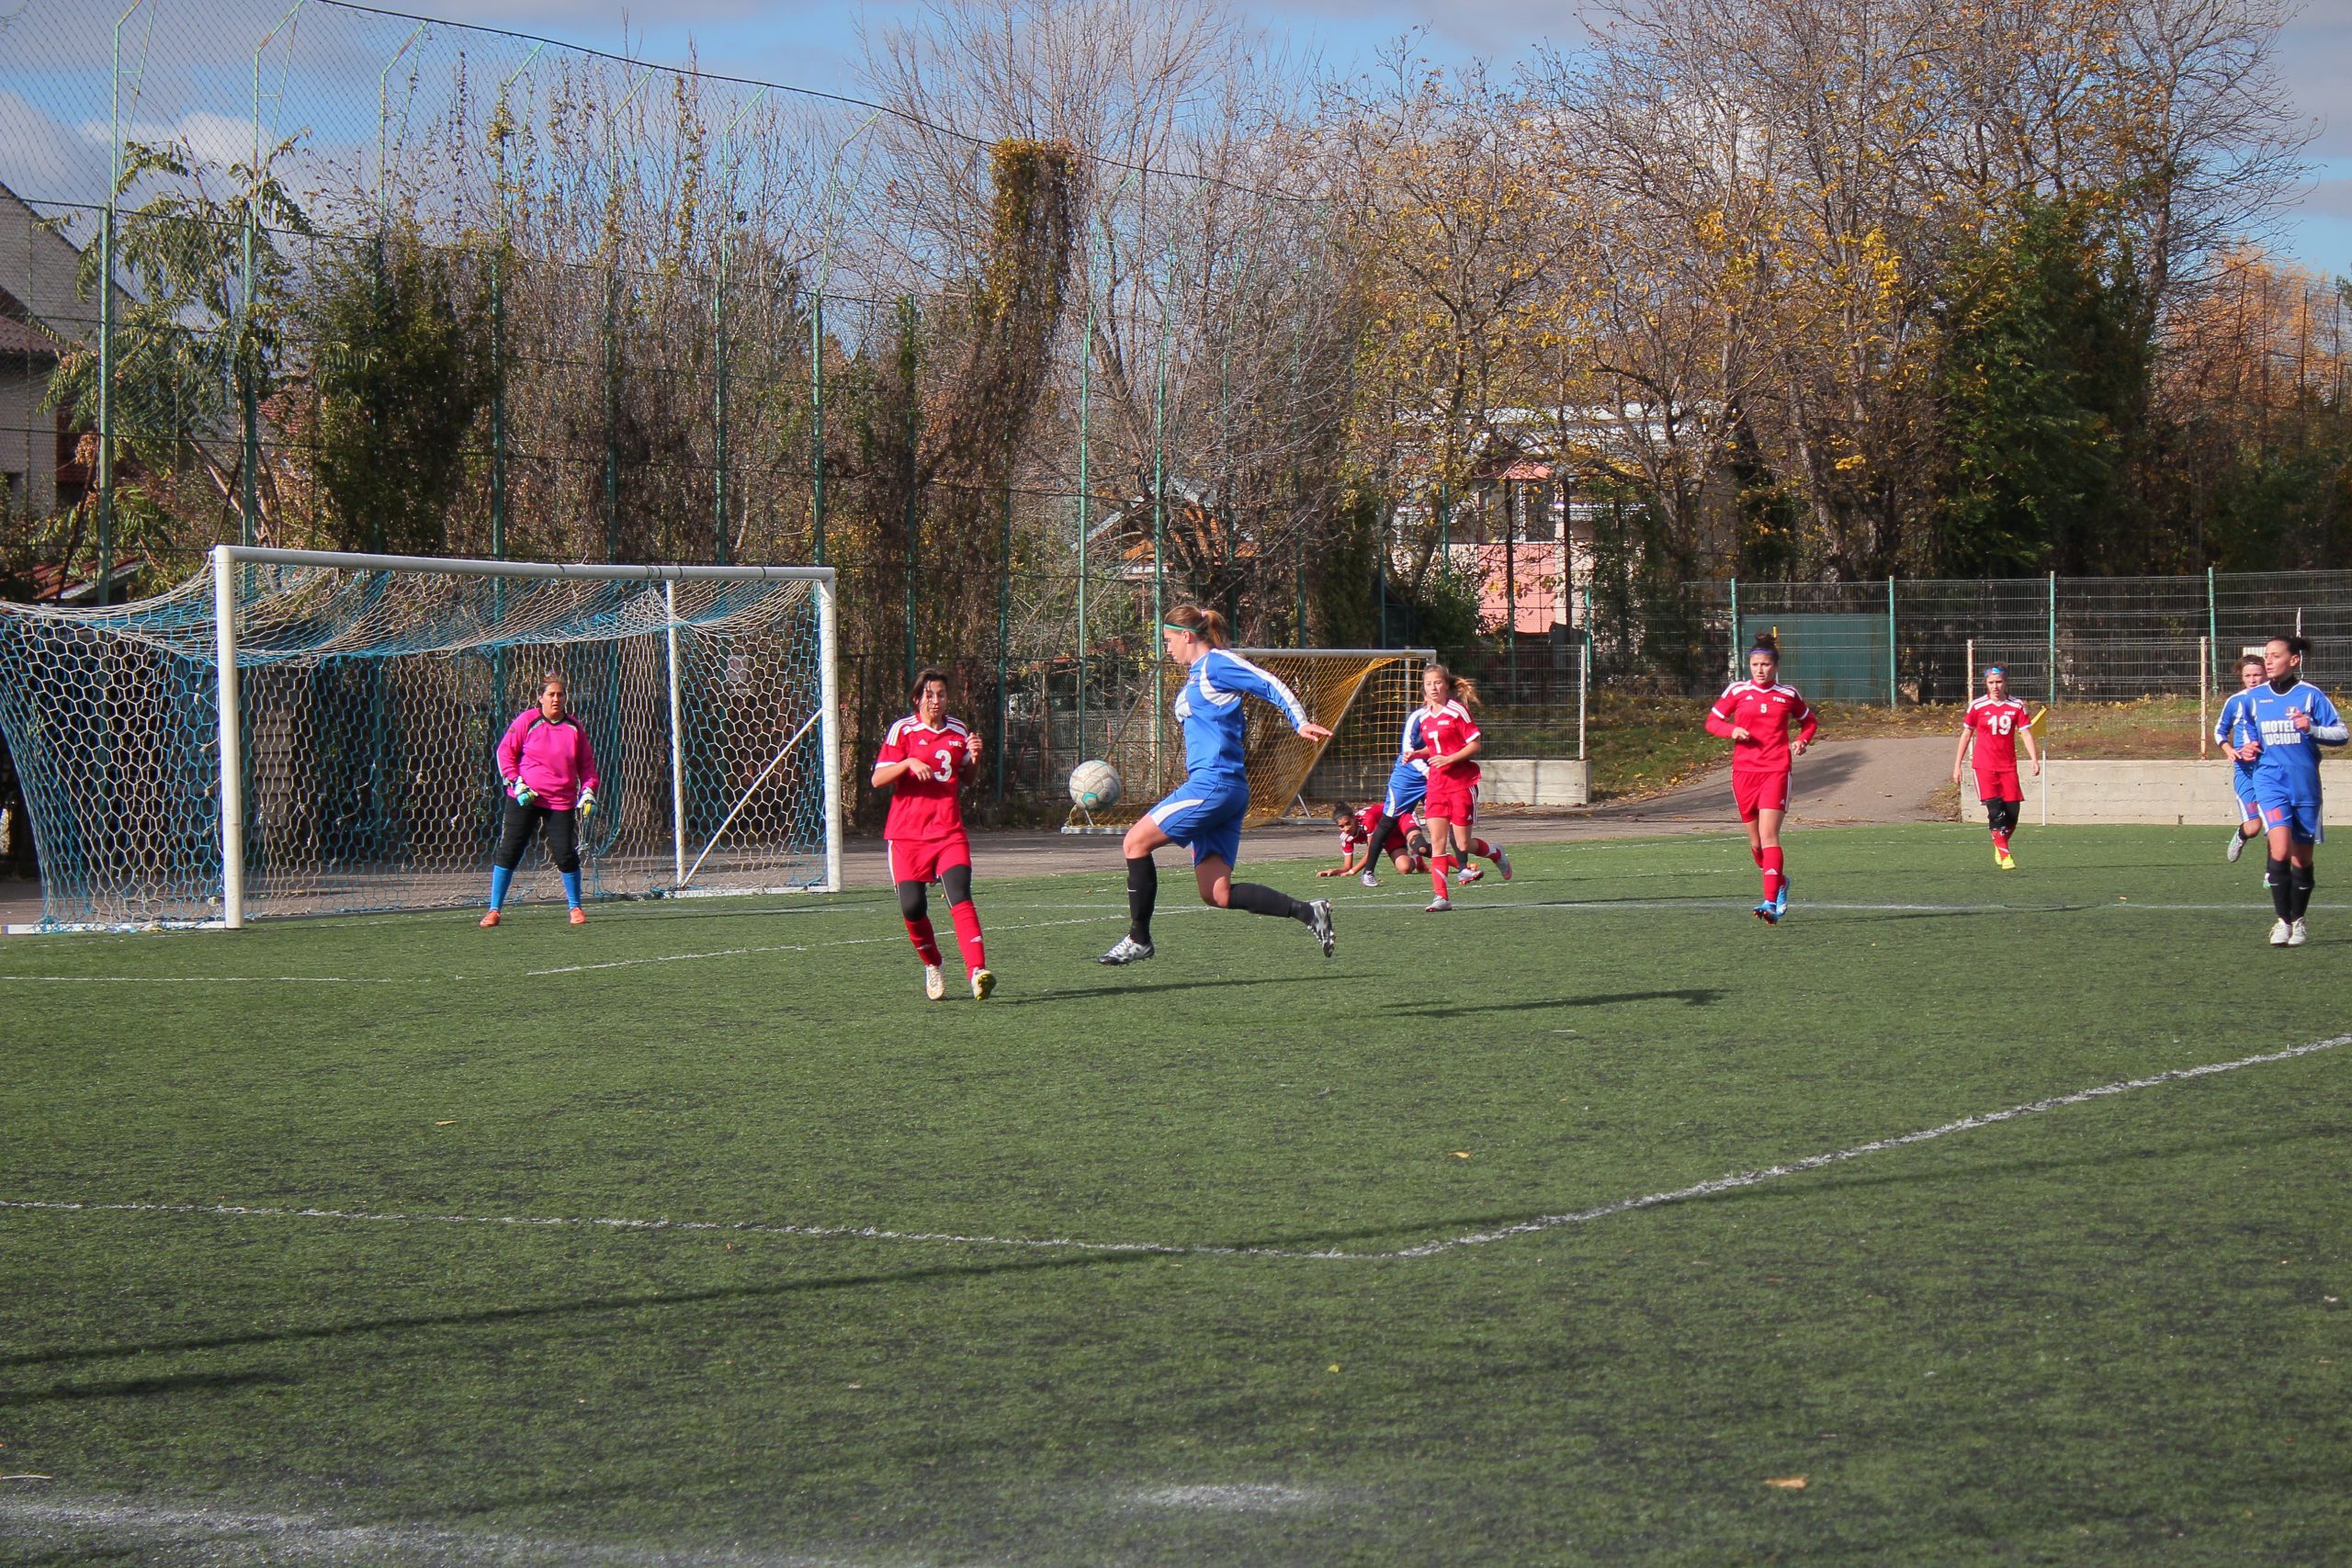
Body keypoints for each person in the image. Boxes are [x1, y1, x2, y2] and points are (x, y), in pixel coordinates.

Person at [1099, 605, 1337, 965]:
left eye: (1168, 640)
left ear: (1186, 635)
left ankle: (1139, 938)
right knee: (1217, 893)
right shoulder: (1198, 674)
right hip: (1224, 788)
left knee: (1135, 842)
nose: (1167, 649)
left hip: (1214, 784)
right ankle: (1308, 912)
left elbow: (1267, 682)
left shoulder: (1216, 664)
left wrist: (1299, 721)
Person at [872, 667, 994, 999]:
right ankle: (933, 963)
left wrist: (976, 758)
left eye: (941, 694)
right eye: (929, 695)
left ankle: (977, 972)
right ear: (917, 699)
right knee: (912, 908)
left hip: (948, 831)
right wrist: (908, 763)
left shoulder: (958, 730)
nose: (935, 700)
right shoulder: (903, 731)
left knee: (960, 894)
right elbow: (878, 779)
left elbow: (967, 778)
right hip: (906, 836)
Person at [2233, 635, 2346, 947]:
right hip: (2270, 782)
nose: (2268, 661)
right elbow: (2247, 732)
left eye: (2275, 655)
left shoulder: (2310, 696)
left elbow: (2341, 733)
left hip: (2304, 785)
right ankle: (2282, 921)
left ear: (2294, 660)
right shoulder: (2255, 698)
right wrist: (2248, 746)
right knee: (2280, 850)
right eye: (2266, 655)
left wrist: (2311, 728)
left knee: (2302, 860)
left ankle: (2298, 920)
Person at [1705, 641, 1816, 923]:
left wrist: (1802, 740)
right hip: (1744, 773)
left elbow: (1809, 722)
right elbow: (1712, 722)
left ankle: (1770, 902)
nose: (1760, 669)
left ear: (1776, 666)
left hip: (1776, 771)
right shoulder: (1737, 691)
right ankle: (1780, 881)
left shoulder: (1787, 694)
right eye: (1755, 665)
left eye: (1765, 664)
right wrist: (1731, 730)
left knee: (1768, 836)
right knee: (1756, 845)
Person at [481, 671, 600, 928]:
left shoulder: (574, 728)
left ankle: (575, 908)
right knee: (510, 850)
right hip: (525, 797)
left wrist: (588, 791)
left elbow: (587, 766)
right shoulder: (527, 721)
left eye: (560, 694)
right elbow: (505, 753)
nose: (556, 699)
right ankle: (494, 910)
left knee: (565, 853)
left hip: (560, 801)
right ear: (540, 698)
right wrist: (517, 783)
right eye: (551, 694)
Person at [1414, 665, 1505, 911]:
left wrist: (1449, 759)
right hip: (1436, 786)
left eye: (1437, 682)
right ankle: (1441, 897)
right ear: (1424, 688)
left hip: (1461, 784)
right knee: (1437, 843)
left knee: (1463, 845)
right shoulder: (1423, 716)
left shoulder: (1457, 710)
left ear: (1446, 685)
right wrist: (1417, 754)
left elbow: (1474, 745)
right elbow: (1435, 748)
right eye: (1429, 684)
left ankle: (1495, 853)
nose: (1433, 688)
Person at [1951, 665, 2041, 868]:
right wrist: (1957, 766)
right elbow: (1966, 735)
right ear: (1986, 683)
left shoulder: (2017, 705)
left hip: (2008, 766)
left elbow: (2026, 733)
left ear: (2006, 682)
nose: (1995, 686)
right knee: (1995, 811)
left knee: (2012, 813)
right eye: (1991, 682)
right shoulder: (1977, 706)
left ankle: (2000, 842)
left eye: (1999, 682)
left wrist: (2034, 759)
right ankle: (2005, 854)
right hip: (1984, 765)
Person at [2214, 654, 2267, 863]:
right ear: (2242, 677)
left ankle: (2275, 871)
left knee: (2275, 825)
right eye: (2248, 676)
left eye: (2257, 675)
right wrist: (2228, 749)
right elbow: (2220, 731)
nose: (2253, 680)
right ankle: (2241, 835)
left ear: (2266, 674)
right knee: (2253, 827)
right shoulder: (2235, 701)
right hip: (2245, 771)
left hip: (2270, 769)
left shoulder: (2274, 700)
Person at [1318, 800, 1430, 883]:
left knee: (1420, 846)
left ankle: (1435, 857)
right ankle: (1417, 859)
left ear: (1354, 818)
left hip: (1401, 817)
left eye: (1348, 823)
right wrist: (1335, 871)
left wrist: (1353, 872)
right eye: (1341, 826)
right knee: (1405, 869)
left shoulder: (1367, 819)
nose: (1346, 828)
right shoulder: (1345, 837)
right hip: (1389, 835)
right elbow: (1347, 867)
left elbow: (1372, 851)